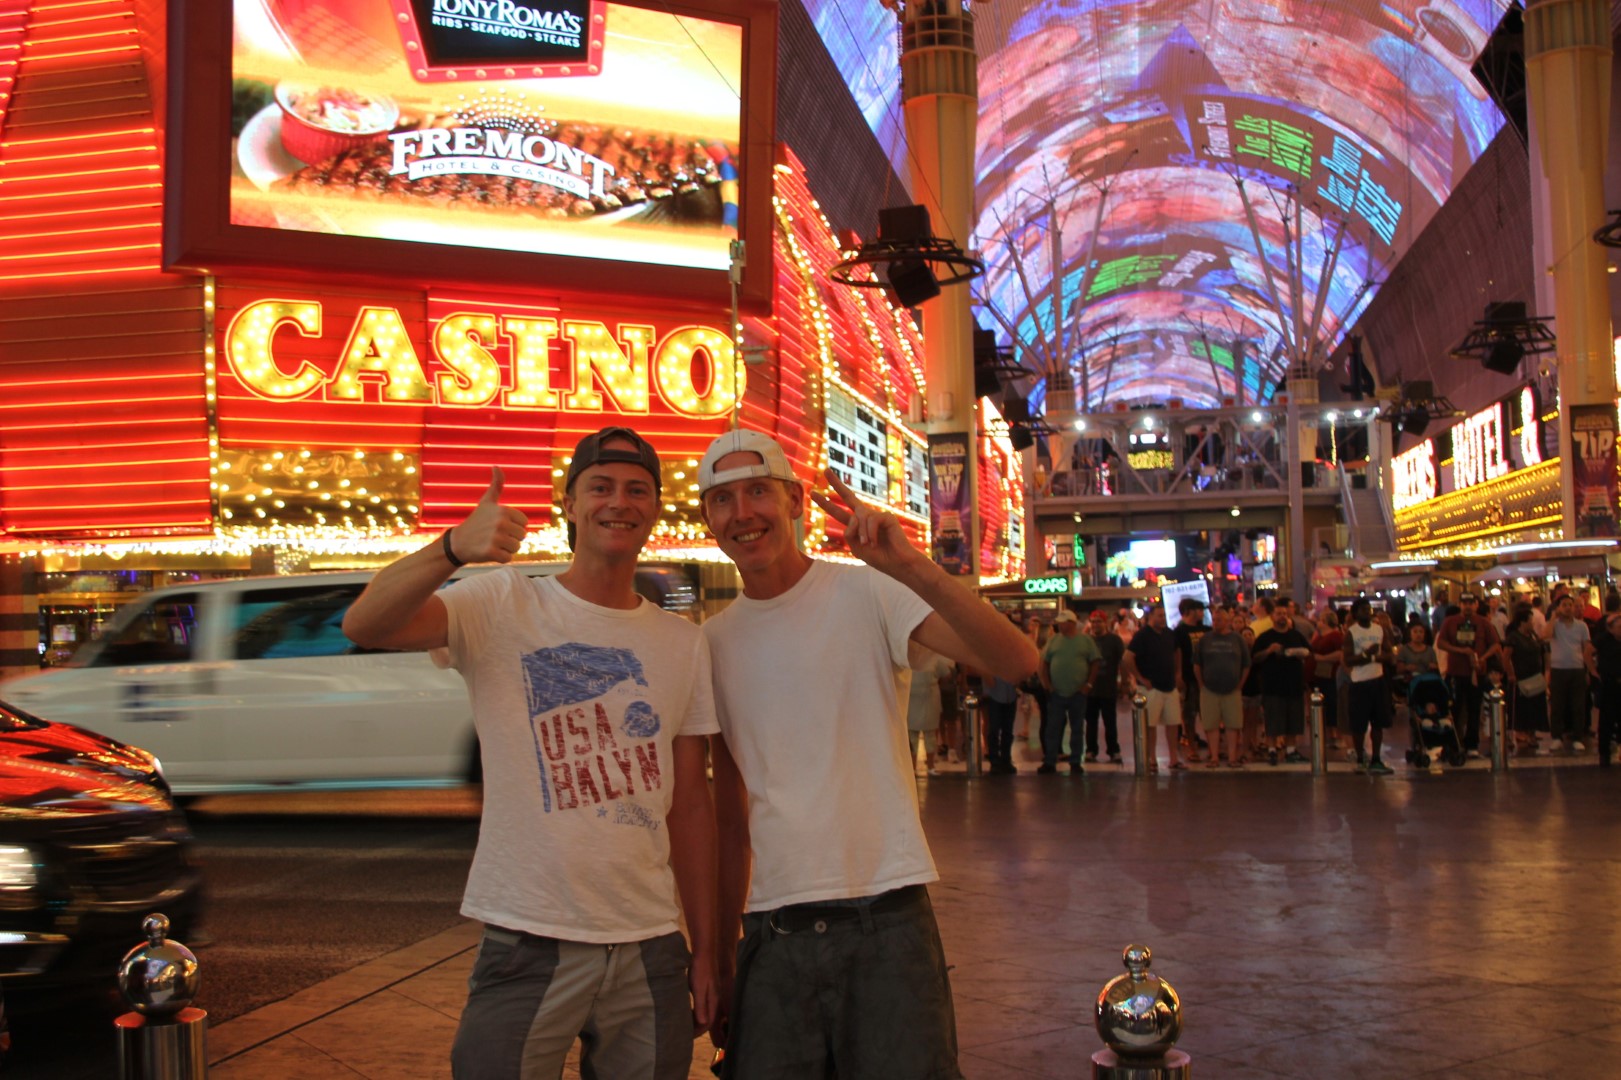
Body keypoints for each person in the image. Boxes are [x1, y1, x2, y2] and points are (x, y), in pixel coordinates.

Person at [341, 427, 720, 1080]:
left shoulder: (682, 644)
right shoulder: (503, 601)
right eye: (599, 487)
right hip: (528, 934)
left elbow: (689, 806)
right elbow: (366, 624)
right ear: (568, 504)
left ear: (655, 510)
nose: (617, 502)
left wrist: (708, 949)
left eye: (637, 490)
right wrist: (453, 547)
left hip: (649, 943)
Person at [697, 429, 1038, 1079]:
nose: (742, 513)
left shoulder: (870, 594)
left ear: (796, 502)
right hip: (773, 928)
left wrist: (910, 566)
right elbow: (728, 816)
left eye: (759, 492)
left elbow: (1015, 661)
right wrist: (716, 954)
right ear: (708, 518)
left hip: (888, 917)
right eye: (722, 499)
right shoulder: (710, 644)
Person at [1437, 592, 1501, 757]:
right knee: (1454, 709)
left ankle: (1472, 744)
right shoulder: (1450, 622)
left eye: (1471, 603)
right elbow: (1441, 643)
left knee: (1474, 709)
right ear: (1460, 604)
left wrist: (1482, 658)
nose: (1468, 606)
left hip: (1477, 674)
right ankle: (1453, 743)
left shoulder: (1484, 623)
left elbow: (1495, 644)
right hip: (1455, 673)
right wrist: (1460, 650)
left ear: (1476, 605)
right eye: (1464, 603)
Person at [1122, 605, 1185, 771]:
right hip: (1151, 687)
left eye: (1164, 615)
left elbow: (1177, 652)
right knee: (1150, 725)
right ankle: (1151, 758)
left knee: (1173, 723)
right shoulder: (1142, 636)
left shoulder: (1169, 634)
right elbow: (1128, 658)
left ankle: (1173, 758)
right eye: (1159, 615)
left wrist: (1178, 673)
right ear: (1151, 618)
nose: (1163, 618)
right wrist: (1140, 678)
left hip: (1169, 686)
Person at [1039, 609, 1099, 774]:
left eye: (1062, 622)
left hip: (1078, 693)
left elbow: (1095, 662)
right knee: (1053, 727)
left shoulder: (1085, 641)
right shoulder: (1054, 640)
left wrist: (1088, 685)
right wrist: (1047, 684)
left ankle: (1075, 761)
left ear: (1071, 623)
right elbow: (1044, 662)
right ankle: (1050, 760)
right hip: (1057, 692)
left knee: (1077, 727)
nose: (1059, 625)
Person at [1342, 598, 1394, 774]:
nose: (1367, 612)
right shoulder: (1352, 632)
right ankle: (1359, 757)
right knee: (1358, 724)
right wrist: (1366, 655)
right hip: (1359, 682)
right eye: (1363, 610)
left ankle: (1376, 758)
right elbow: (1348, 658)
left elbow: (1388, 654)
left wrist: (1374, 658)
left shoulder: (1380, 630)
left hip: (1377, 679)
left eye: (1369, 609)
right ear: (1356, 613)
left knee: (1378, 722)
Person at [1194, 606, 1250, 768]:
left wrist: (1240, 683)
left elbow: (1246, 664)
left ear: (1227, 621)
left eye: (1219, 620)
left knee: (1233, 724)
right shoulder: (1205, 639)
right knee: (1211, 724)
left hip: (1232, 688)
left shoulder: (1237, 639)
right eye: (1214, 620)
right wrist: (1201, 684)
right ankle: (1214, 757)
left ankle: (1232, 757)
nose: (1216, 623)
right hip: (1209, 689)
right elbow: (1197, 664)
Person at [1253, 609, 1311, 764]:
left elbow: (1309, 651)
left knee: (1294, 719)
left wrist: (1301, 654)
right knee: (1273, 719)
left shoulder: (1296, 635)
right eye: (1278, 614)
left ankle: (1291, 750)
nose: (1282, 617)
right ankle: (1272, 749)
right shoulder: (1265, 637)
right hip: (1273, 685)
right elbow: (1256, 657)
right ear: (1272, 617)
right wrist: (1269, 651)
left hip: (1294, 684)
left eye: (1285, 614)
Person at [1541, 593, 1593, 755]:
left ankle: (1578, 737)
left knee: (1578, 705)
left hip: (1577, 668)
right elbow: (1545, 636)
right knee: (1557, 705)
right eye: (1564, 605)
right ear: (1558, 608)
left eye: (1570, 605)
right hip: (1558, 669)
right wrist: (1552, 618)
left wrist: (1587, 669)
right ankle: (1557, 736)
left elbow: (1586, 648)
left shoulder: (1582, 626)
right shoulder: (1555, 625)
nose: (1568, 608)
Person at [1502, 605, 1547, 757]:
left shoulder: (1532, 636)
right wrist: (1510, 674)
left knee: (1535, 705)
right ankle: (1518, 732)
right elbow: (1506, 657)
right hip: (1521, 676)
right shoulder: (1514, 638)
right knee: (1520, 707)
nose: (1532, 623)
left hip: (1534, 675)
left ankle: (1532, 732)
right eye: (1530, 620)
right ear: (1523, 622)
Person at [1083, 609, 1126, 764]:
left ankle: (1113, 750)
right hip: (1090, 689)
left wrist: (1125, 682)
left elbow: (1122, 662)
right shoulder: (1086, 640)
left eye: (1098, 621)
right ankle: (1091, 750)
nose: (1095, 625)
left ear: (1105, 623)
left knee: (1110, 722)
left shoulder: (1114, 641)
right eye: (1093, 622)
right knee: (1090, 722)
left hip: (1108, 688)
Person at [1172, 598, 1210, 760]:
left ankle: (1213, 747)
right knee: (1189, 715)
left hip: (1208, 677)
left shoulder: (1208, 630)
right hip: (1189, 677)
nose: (1202, 613)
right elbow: (1176, 653)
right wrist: (1178, 675)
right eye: (1199, 610)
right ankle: (1191, 748)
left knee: (1209, 714)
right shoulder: (1179, 632)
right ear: (1188, 611)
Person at [907, 648, 953, 777]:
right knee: (924, 735)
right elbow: (947, 674)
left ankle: (919, 766)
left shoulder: (909, 655)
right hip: (922, 696)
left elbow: (946, 674)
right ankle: (927, 766)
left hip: (921, 697)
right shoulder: (932, 657)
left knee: (919, 734)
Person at [1310, 609, 1344, 754]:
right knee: (1322, 704)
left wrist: (1322, 658)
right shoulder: (1318, 636)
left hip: (1330, 673)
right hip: (1318, 675)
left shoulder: (1336, 636)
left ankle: (1336, 734)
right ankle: (1326, 732)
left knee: (1332, 703)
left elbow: (1340, 653)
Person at [1595, 611, 1621, 767]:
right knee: (1607, 719)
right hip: (1609, 683)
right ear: (1610, 628)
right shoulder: (1603, 640)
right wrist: (1593, 671)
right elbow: (1588, 651)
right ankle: (1604, 754)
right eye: (1618, 627)